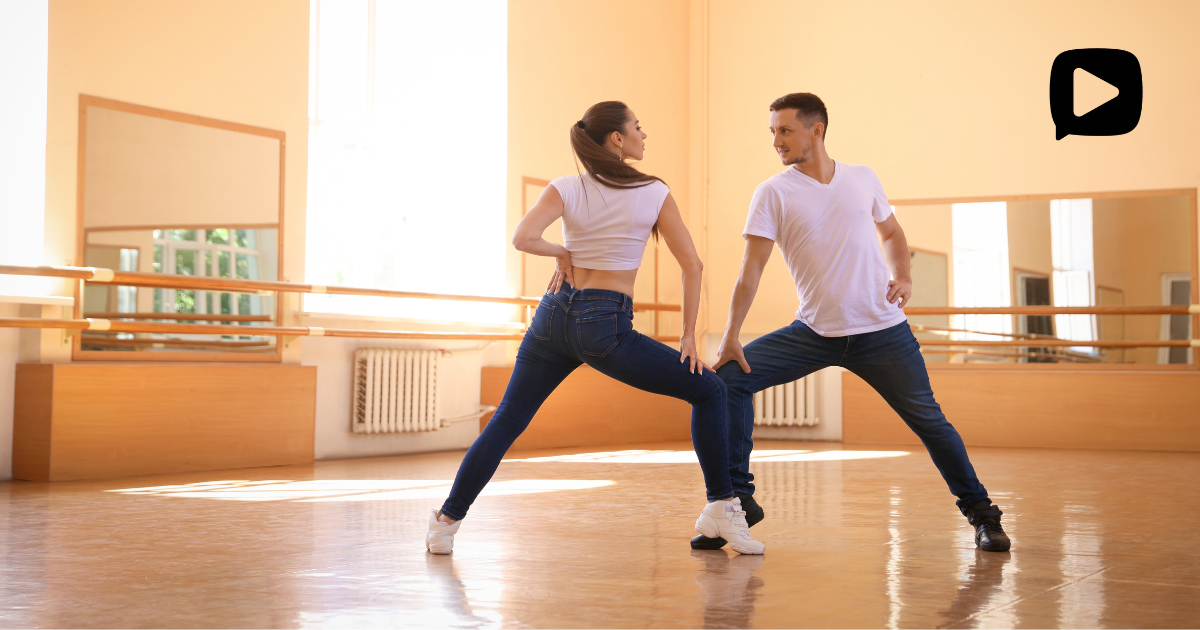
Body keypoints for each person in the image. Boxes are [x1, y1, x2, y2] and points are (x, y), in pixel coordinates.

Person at [426, 101, 765, 555]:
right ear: (617, 140)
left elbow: (523, 238)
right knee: (710, 391)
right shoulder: (653, 191)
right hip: (603, 325)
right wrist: (688, 335)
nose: (645, 135)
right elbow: (693, 265)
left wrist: (560, 253)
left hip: (552, 316)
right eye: (638, 128)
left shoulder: (565, 187)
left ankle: (445, 524)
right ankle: (722, 507)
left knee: (508, 419)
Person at [692, 92, 1010, 553]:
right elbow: (751, 270)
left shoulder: (863, 179)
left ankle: (983, 515)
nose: (776, 141)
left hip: (882, 332)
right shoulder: (773, 192)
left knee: (931, 423)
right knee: (728, 378)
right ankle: (739, 499)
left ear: (815, 129)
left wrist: (903, 274)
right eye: (772, 132)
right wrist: (733, 336)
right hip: (814, 333)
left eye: (785, 130)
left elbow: (893, 233)